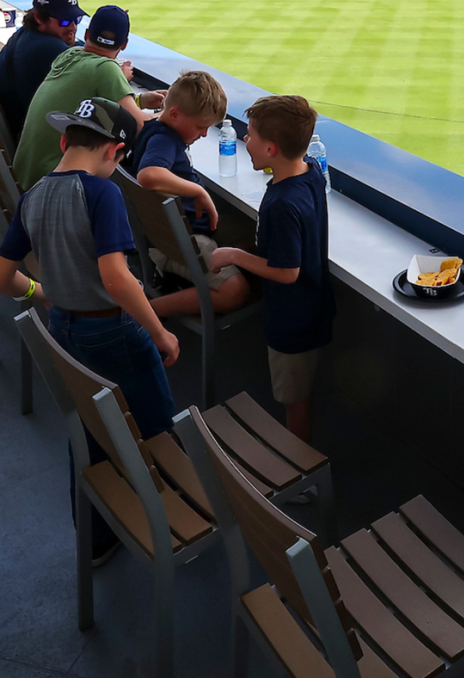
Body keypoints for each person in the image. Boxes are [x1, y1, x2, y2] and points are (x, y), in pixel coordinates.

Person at [0, 96, 176, 566]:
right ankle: (174, 516)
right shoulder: (103, 193)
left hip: (65, 330)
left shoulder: (33, 196)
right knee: (159, 427)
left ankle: (93, 539)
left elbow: (0, 278)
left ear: (66, 139)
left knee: (89, 429)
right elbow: (116, 276)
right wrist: (158, 332)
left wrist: (43, 292)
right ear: (115, 151)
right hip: (113, 331)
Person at [208, 95, 330, 440]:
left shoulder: (281, 203)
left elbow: (288, 271)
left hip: (292, 319)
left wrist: (233, 254)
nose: (246, 139)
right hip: (311, 307)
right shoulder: (311, 171)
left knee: (295, 400)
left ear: (272, 150)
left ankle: (302, 474)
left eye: (252, 135)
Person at [129, 72, 251, 319]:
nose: (204, 134)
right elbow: (148, 174)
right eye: (200, 127)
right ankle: (144, 314)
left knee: (253, 241)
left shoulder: (154, 127)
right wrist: (199, 191)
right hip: (178, 244)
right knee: (235, 291)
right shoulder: (164, 140)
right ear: (174, 114)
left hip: (171, 236)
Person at [13, 5, 165, 189]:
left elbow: (88, 98)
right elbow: (142, 126)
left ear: (86, 35)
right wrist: (170, 109)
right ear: (124, 44)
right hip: (51, 186)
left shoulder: (69, 55)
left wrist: (139, 101)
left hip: (25, 176)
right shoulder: (106, 69)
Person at [0, 0, 84, 134]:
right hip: (23, 143)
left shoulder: (24, 36)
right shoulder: (48, 47)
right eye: (64, 21)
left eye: (76, 19)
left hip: (2, 139)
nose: (73, 27)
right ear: (39, 18)